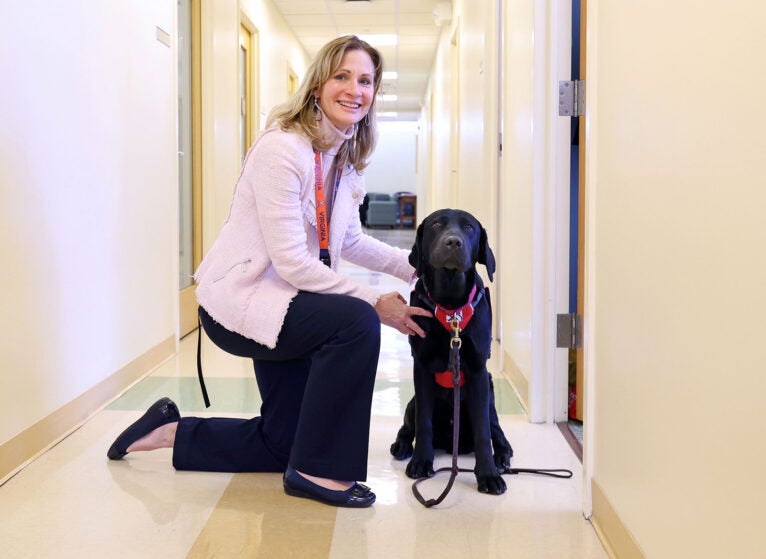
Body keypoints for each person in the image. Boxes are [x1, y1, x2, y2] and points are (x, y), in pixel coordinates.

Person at [107, 35, 432, 508]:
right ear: (318, 84)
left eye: (365, 81)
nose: (354, 89)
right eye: (342, 76)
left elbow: (350, 241)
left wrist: (415, 269)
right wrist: (374, 302)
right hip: (243, 304)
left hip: (291, 305)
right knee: (357, 323)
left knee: (282, 441)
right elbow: (293, 262)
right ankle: (320, 473)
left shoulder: (342, 157)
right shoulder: (284, 149)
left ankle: (169, 432)